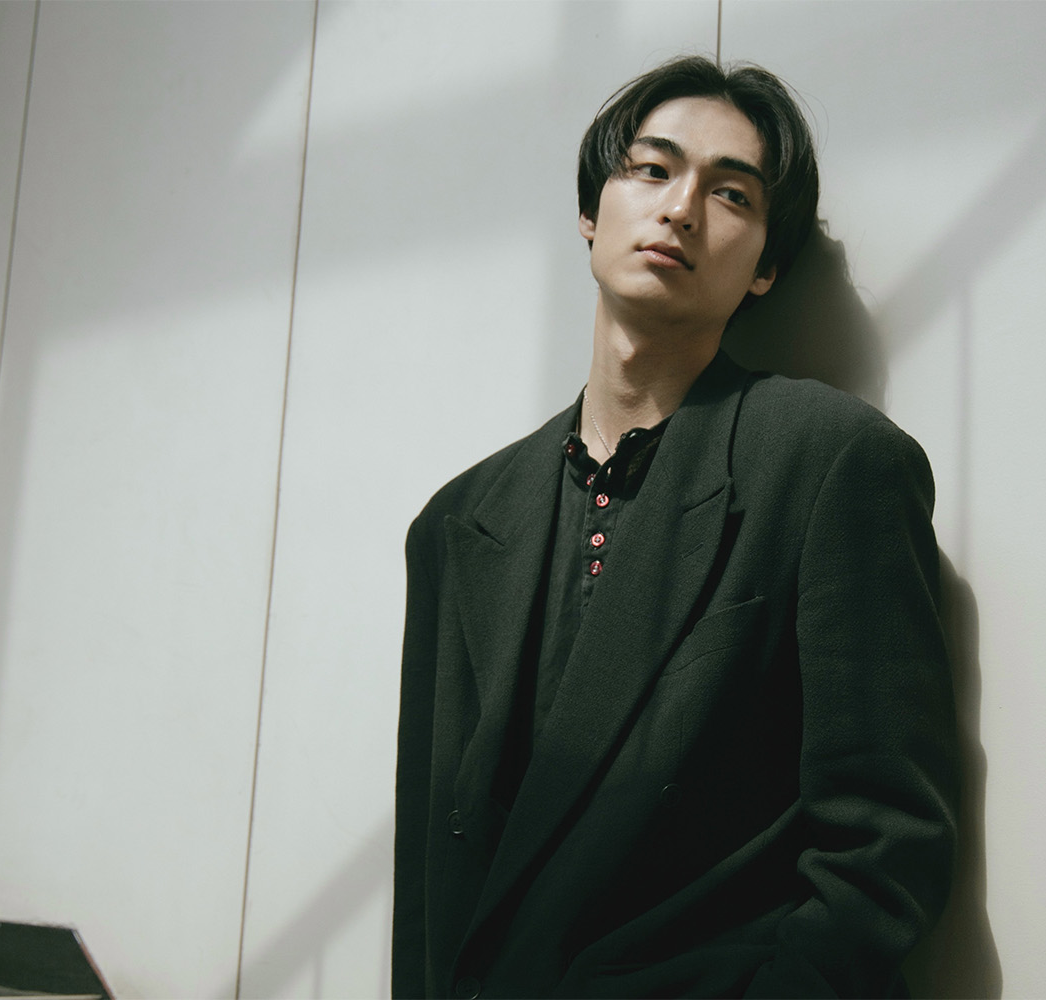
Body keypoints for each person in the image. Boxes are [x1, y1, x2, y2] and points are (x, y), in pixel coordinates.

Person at [393, 56, 959, 999]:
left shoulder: (830, 462)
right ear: (591, 211)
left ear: (766, 266)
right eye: (652, 170)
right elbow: (433, 883)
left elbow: (885, 842)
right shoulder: (457, 521)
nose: (682, 208)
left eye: (731, 193)